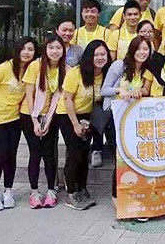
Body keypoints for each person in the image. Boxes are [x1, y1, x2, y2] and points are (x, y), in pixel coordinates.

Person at [0, 37, 37, 211]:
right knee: (0, 155)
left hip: (15, 119)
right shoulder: (3, 68)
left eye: (31, 49)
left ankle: (8, 190)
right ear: (17, 50)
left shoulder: (30, 70)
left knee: (11, 156)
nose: (26, 52)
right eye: (23, 49)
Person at [57, 40, 111, 211]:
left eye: (103, 54)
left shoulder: (106, 74)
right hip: (68, 114)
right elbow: (67, 99)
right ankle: (71, 193)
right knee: (74, 153)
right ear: (89, 56)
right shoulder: (76, 72)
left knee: (83, 153)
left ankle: (81, 187)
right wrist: (75, 123)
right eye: (96, 54)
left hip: (88, 116)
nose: (100, 58)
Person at [101, 36, 153, 204]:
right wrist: (119, 90)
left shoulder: (147, 69)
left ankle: (134, 195)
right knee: (119, 157)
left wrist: (141, 92)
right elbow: (104, 90)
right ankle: (116, 198)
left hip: (134, 120)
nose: (142, 52)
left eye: (146, 49)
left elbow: (146, 90)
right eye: (139, 49)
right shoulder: (119, 65)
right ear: (132, 50)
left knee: (134, 157)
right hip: (114, 117)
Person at [21, 34, 66, 209]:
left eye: (58, 48)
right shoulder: (35, 66)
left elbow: (60, 98)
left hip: (51, 116)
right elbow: (29, 94)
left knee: (49, 154)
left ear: (63, 50)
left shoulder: (66, 70)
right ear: (45, 50)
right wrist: (34, 120)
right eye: (51, 47)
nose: (55, 51)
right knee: (35, 153)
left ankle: (51, 190)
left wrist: (47, 121)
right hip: (30, 114)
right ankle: (34, 192)